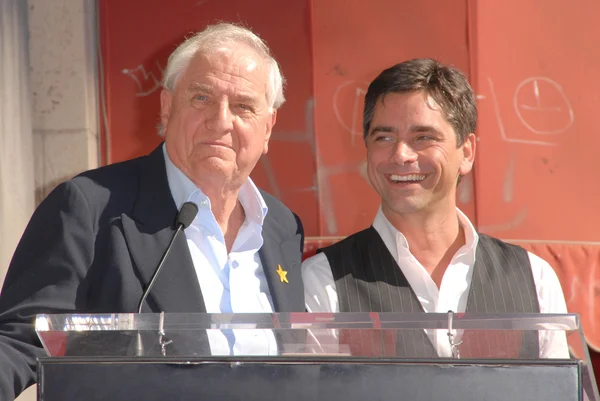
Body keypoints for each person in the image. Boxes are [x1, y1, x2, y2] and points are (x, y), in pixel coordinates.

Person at [0, 22, 305, 400]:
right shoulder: (90, 207)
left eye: (244, 106)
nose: (222, 120)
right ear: (167, 105)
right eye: (201, 98)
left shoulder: (282, 227)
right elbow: (22, 341)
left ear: (268, 127)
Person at [302, 58, 569, 359]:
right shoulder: (322, 281)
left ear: (466, 152)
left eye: (423, 137)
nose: (401, 154)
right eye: (384, 137)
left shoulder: (535, 279)